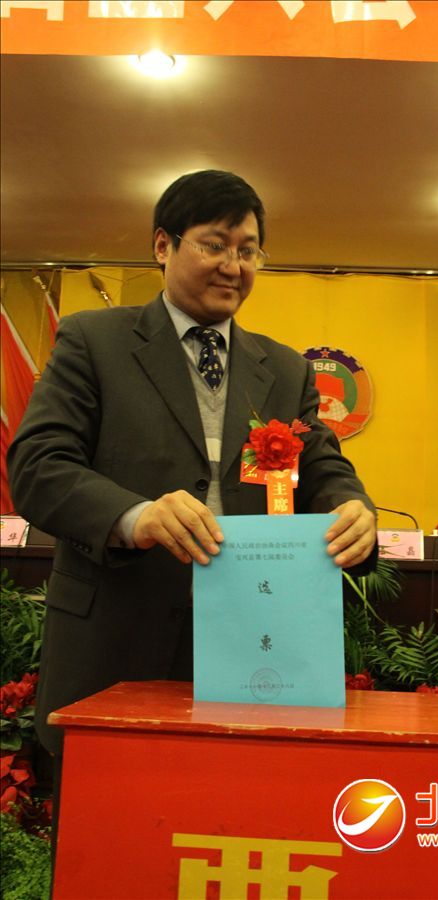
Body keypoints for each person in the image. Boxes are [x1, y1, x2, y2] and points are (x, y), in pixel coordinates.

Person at [7, 169, 377, 764]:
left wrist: (350, 507)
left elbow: (323, 468)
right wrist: (136, 516)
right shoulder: (93, 341)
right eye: (214, 245)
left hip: (252, 647)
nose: (234, 266)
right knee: (108, 814)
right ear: (163, 245)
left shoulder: (285, 370)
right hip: (114, 642)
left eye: (248, 251)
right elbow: (38, 465)